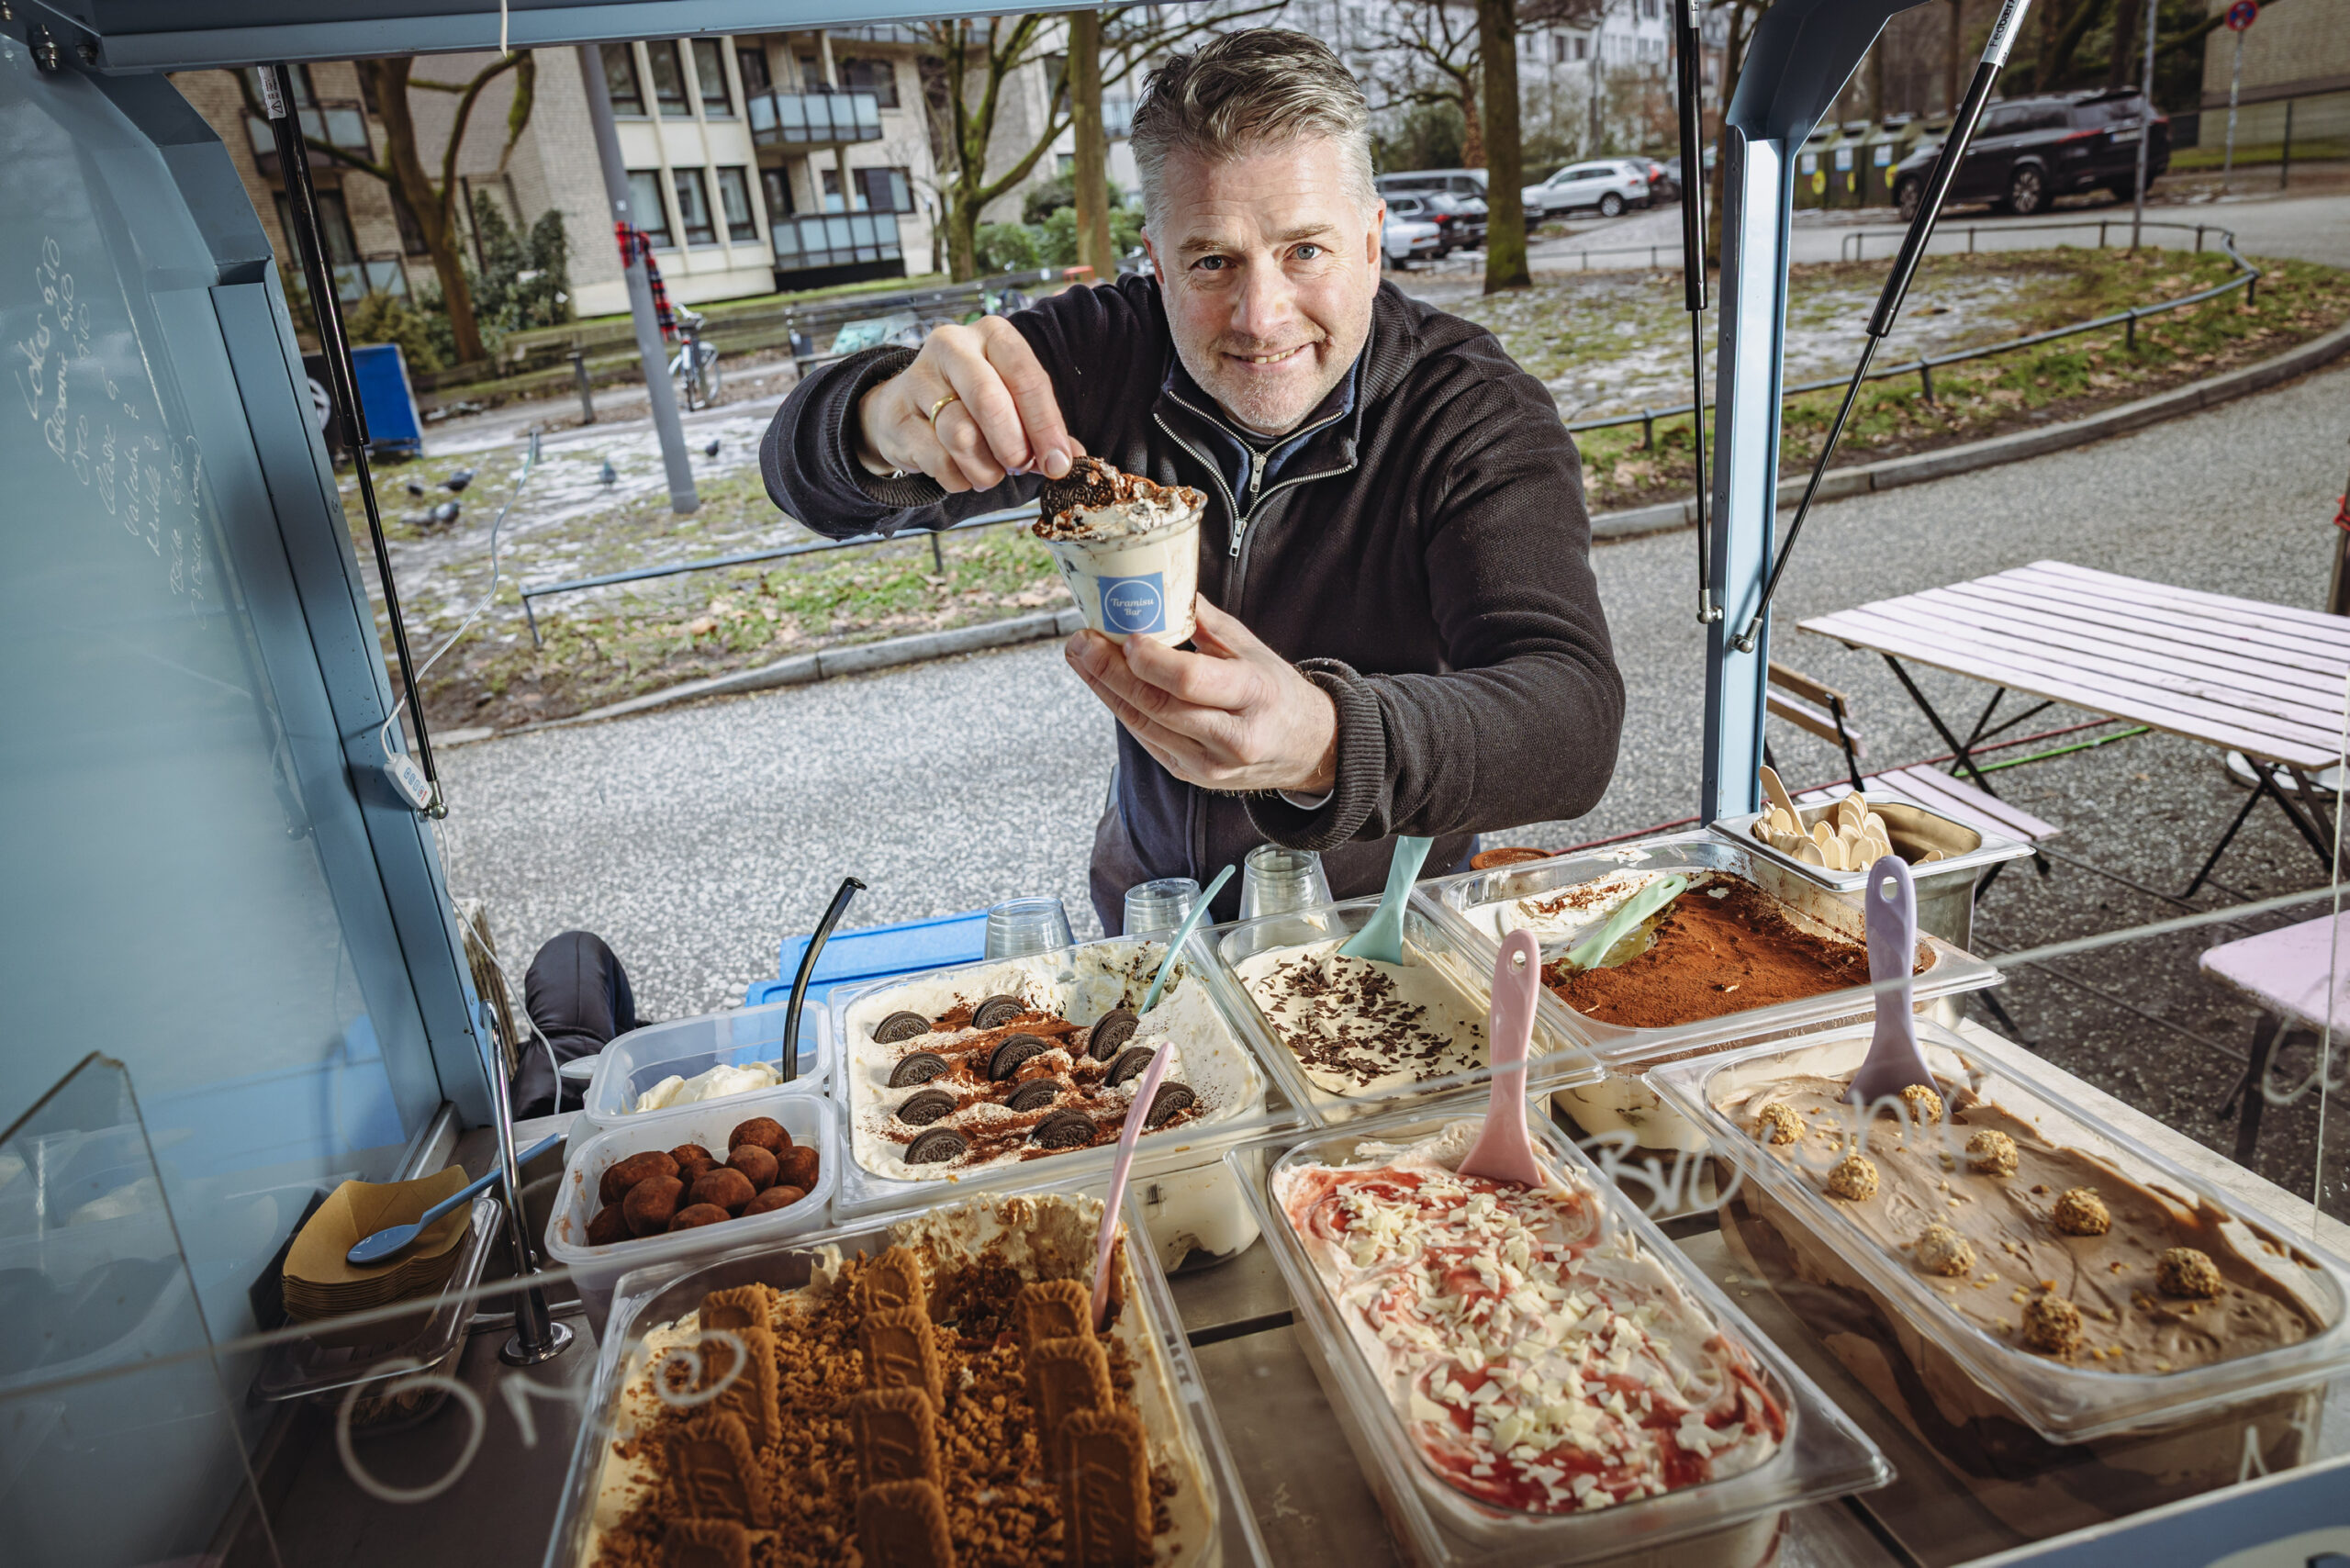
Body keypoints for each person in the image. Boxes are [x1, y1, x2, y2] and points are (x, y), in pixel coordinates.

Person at [762, 30, 1622, 934]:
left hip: (1385, 927)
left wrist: (1327, 739)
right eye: (1212, 261)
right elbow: (802, 480)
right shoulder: (1099, 353)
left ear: (1372, 243)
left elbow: (1574, 724)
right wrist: (879, 422)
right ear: (1157, 260)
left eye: (1305, 251)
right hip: (1153, 915)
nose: (1261, 317)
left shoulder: (1472, 411)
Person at [509, 930, 640, 1121]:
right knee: (625, 1037)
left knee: (625, 1040)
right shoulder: (524, 1106)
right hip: (576, 957)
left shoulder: (525, 1110)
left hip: (577, 957)